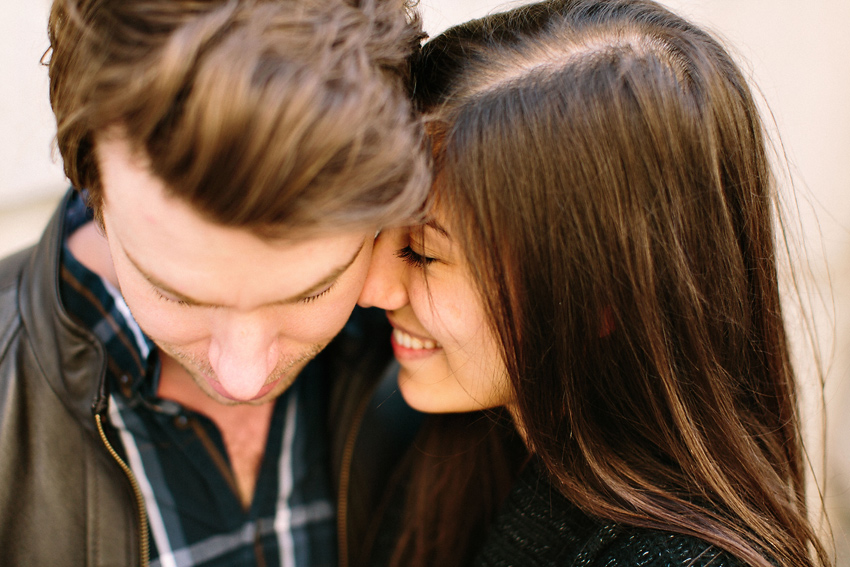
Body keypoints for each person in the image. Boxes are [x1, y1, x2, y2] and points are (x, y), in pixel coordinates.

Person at [357, 0, 833, 566]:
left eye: (422, 253)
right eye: (374, 228)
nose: (372, 289)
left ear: (599, 299)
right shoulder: (455, 446)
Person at [0, 0, 429, 565]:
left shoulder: (451, 342)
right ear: (93, 191)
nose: (244, 377)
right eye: (177, 295)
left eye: (311, 292)